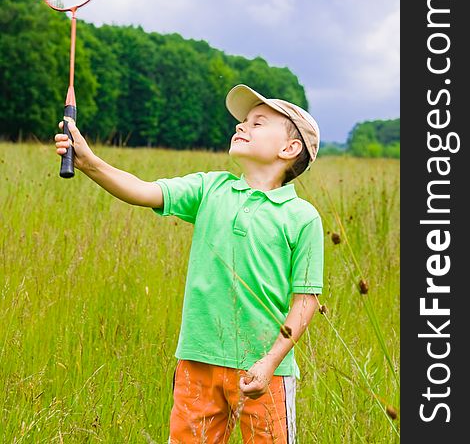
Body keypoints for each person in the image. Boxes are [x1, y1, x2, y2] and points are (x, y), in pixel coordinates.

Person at [54, 83, 324, 443]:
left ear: (289, 149)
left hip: (264, 371)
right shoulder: (210, 188)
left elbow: (305, 301)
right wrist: (88, 161)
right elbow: (141, 189)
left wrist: (271, 360)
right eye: (243, 121)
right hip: (198, 359)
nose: (241, 126)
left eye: (257, 123)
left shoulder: (302, 217)